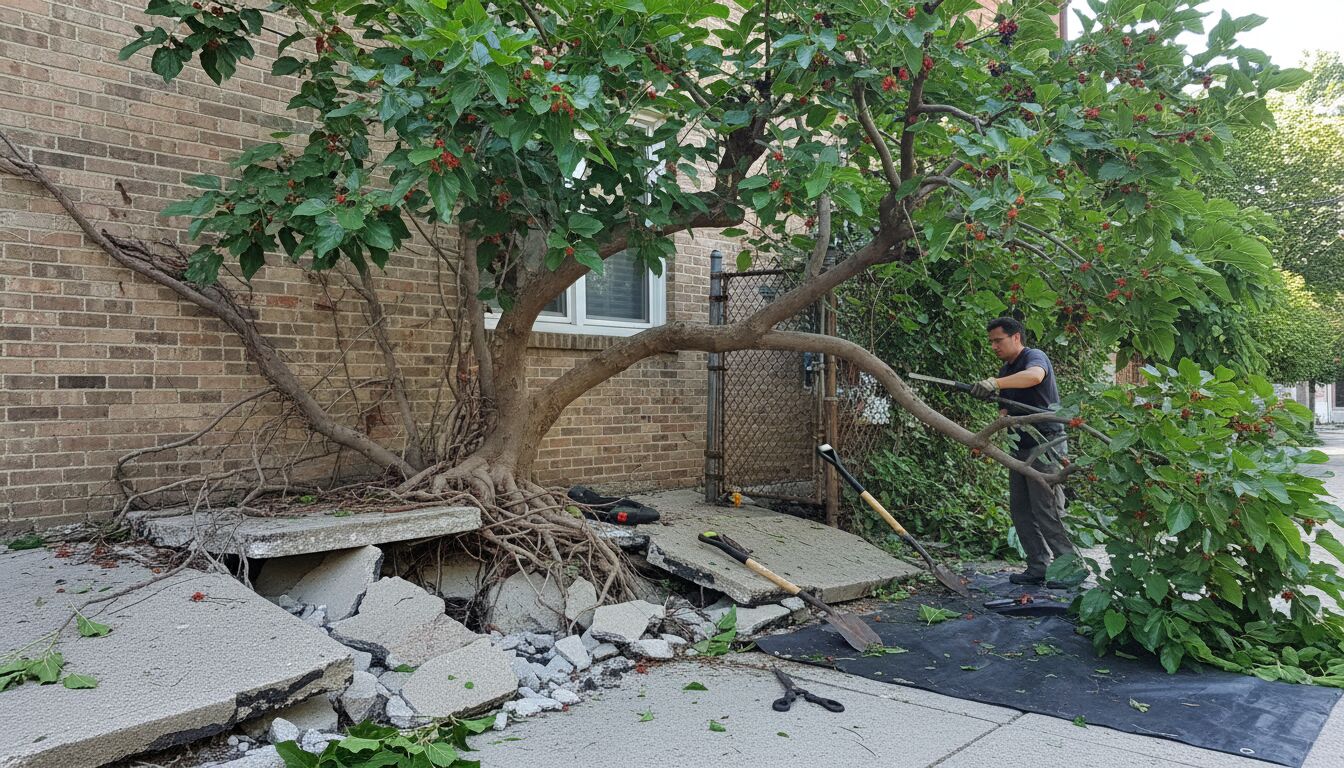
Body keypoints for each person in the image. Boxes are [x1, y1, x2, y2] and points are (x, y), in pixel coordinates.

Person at [970, 317, 1078, 587]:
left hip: (1045, 443)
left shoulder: (1034, 357)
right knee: (1021, 510)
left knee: (1046, 509)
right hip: (1019, 448)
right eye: (991, 342)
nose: (994, 346)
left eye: (998, 340)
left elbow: (1035, 377)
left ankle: (1072, 569)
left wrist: (995, 383)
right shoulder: (1006, 370)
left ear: (1016, 337)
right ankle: (1038, 566)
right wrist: (986, 437)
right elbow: (1005, 414)